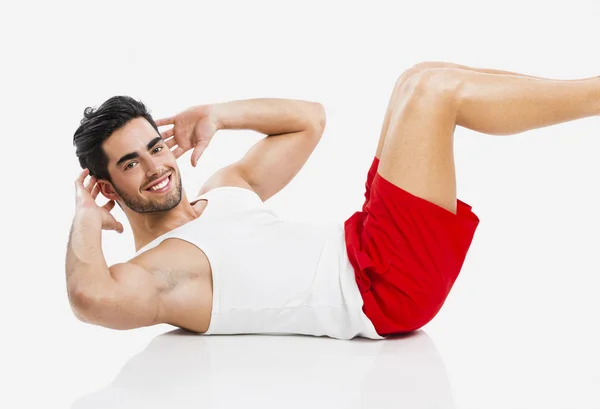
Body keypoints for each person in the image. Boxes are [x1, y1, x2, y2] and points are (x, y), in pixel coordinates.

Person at [67, 61, 600, 340]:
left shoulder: (224, 189)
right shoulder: (164, 270)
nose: (157, 167)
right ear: (108, 186)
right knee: (435, 95)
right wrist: (86, 217)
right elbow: (91, 298)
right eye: (131, 162)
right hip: (379, 291)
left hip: (368, 240)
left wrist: (221, 114)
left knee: (418, 77)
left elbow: (308, 119)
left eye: (154, 148)